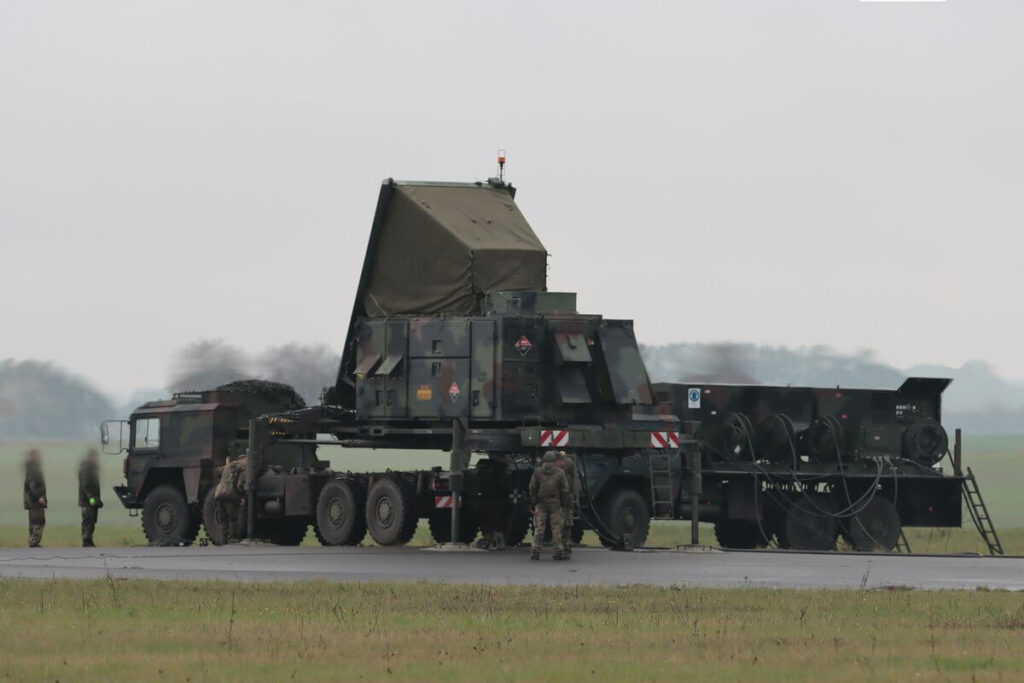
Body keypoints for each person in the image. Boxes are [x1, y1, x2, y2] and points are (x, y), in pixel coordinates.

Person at [529, 450, 571, 561]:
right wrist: (563, 502)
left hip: (541, 503)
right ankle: (557, 551)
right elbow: (565, 490)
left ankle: (535, 551)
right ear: (554, 460)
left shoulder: (538, 472)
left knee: (539, 528)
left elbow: (532, 488)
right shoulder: (560, 472)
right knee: (556, 528)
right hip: (555, 503)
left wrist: (534, 502)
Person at [214, 455, 247, 543]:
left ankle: (224, 539)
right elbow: (240, 485)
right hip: (230, 496)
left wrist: (226, 465)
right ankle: (232, 539)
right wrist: (242, 497)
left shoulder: (228, 466)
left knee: (223, 519)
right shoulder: (243, 469)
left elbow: (217, 472)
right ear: (243, 460)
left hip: (219, 494)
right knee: (233, 518)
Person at [555, 450, 579, 554]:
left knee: (557, 524)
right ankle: (566, 546)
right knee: (567, 524)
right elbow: (574, 479)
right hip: (567, 498)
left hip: (556, 499)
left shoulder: (553, 465)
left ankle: (558, 546)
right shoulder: (569, 464)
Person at [78, 449, 103, 547]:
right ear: (91, 457)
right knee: (88, 520)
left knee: (91, 520)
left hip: (91, 500)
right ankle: (86, 540)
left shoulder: (91, 468)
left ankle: (88, 539)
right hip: (87, 501)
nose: (97, 459)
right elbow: (86, 485)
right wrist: (92, 499)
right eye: (96, 457)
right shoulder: (87, 468)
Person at [23, 449, 47, 548]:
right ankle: (34, 542)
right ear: (33, 457)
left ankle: (32, 541)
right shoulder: (34, 469)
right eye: (38, 455)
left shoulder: (31, 468)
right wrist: (40, 497)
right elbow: (34, 486)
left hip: (31, 501)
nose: (40, 457)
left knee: (33, 520)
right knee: (38, 520)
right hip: (35, 501)